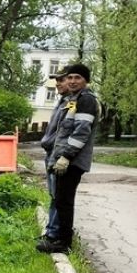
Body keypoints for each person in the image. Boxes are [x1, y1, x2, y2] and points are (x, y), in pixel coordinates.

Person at [38, 63, 98, 254]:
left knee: (64, 200)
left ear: (86, 81)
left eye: (77, 78)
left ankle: (63, 242)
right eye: (70, 77)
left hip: (72, 161)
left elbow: (81, 132)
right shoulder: (74, 99)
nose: (72, 81)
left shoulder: (86, 100)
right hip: (64, 159)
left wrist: (65, 156)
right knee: (60, 199)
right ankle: (57, 237)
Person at [38, 71, 72, 238]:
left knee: (58, 196)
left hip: (58, 155)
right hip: (51, 153)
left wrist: (63, 155)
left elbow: (67, 132)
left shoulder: (71, 103)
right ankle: (51, 231)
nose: (58, 83)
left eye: (61, 80)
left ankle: (54, 234)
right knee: (53, 194)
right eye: (56, 80)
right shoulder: (61, 101)